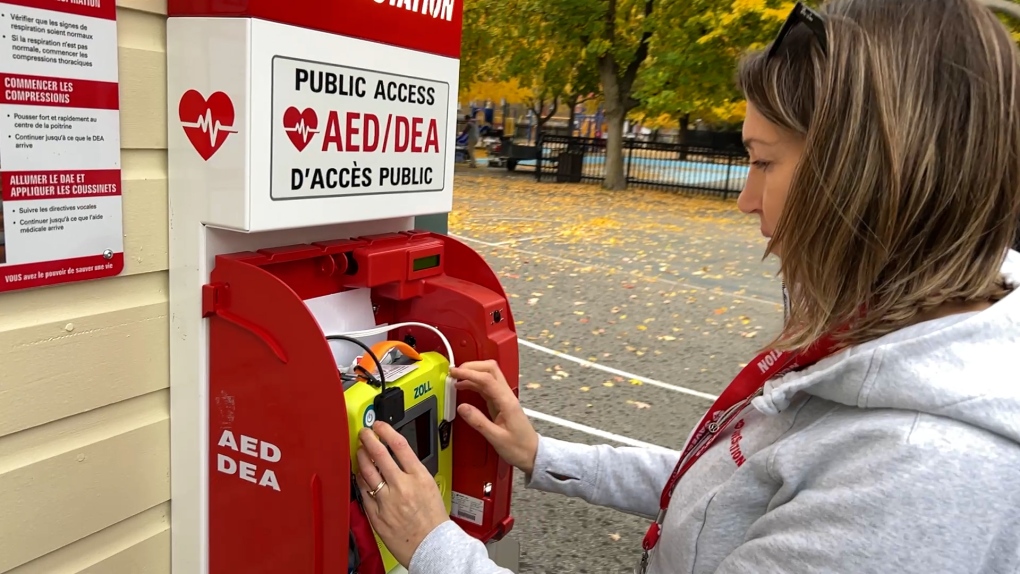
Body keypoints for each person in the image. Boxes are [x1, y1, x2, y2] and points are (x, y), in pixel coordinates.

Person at [352, 0, 1020, 572]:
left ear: (867, 179)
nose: (746, 201)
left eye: (763, 162)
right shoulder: (885, 339)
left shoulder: (913, 477)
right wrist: (543, 454)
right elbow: (728, 487)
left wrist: (434, 546)